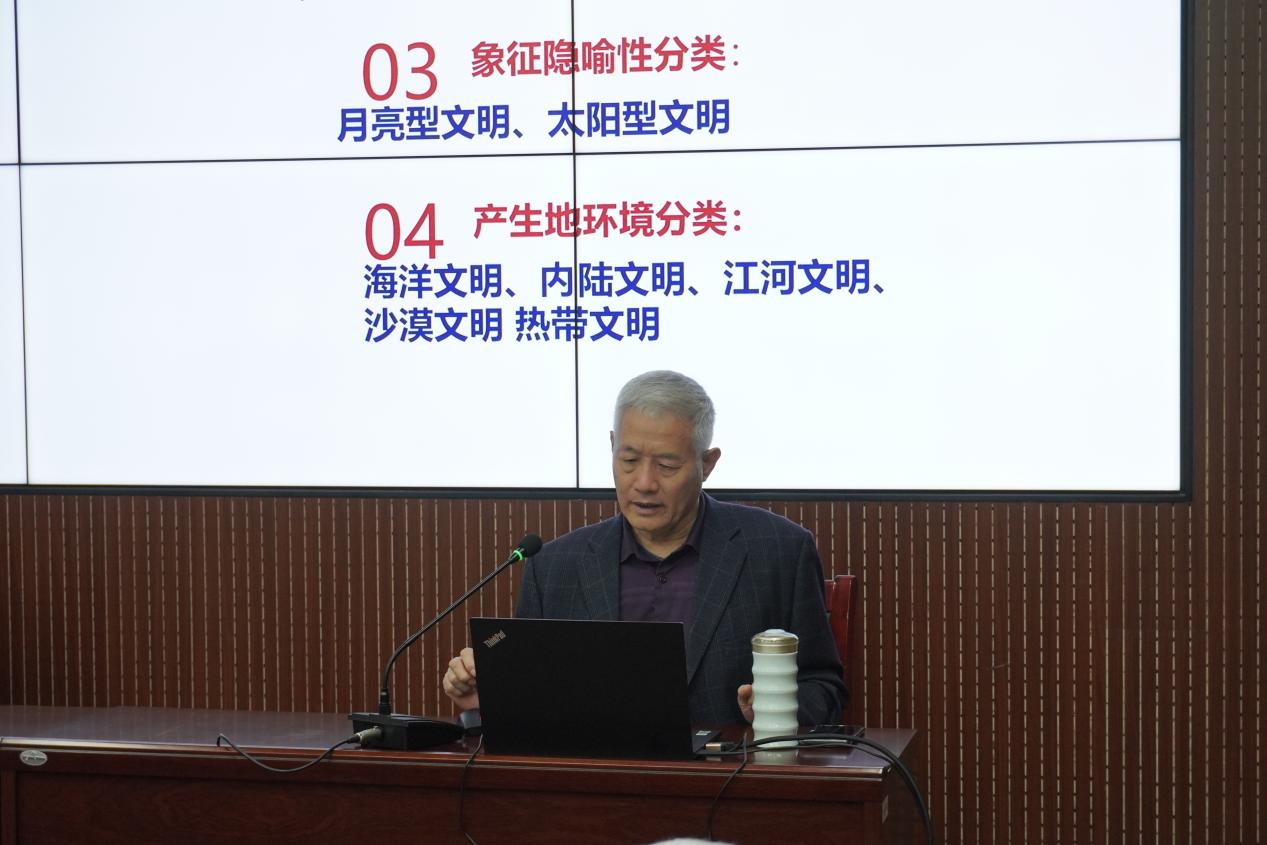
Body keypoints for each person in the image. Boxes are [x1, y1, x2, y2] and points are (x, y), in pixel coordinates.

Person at [443, 370, 846, 726]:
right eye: (629, 460)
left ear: (707, 463)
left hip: (728, 778)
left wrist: (776, 710)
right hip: (594, 780)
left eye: (667, 466)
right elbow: (531, 702)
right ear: (612, 446)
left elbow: (823, 687)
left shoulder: (778, 552)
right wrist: (485, 703)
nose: (644, 483)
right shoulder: (554, 567)